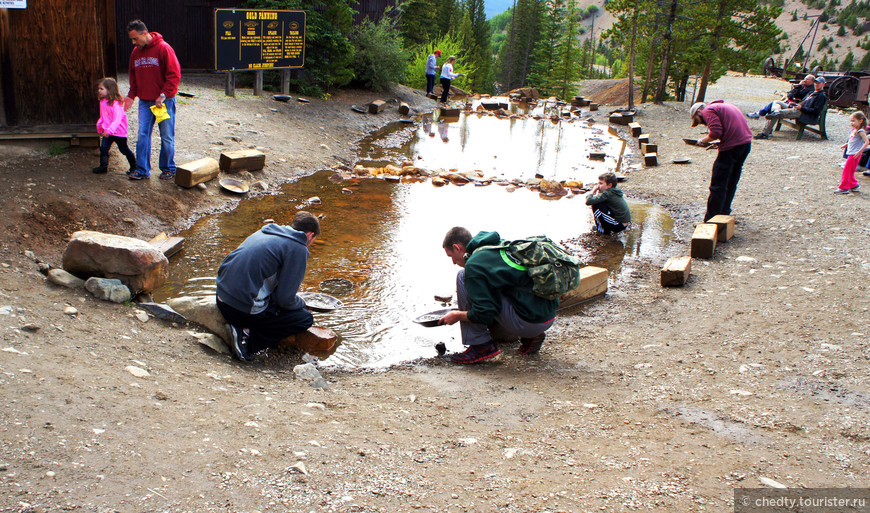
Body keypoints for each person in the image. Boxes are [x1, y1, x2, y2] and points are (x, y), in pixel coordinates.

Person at [439, 227, 557, 364]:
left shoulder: (474, 265)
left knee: (462, 276)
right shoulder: (498, 246)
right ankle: (530, 336)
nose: (453, 262)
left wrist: (458, 315)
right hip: (548, 316)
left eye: (451, 256)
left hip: (529, 322)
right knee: (495, 287)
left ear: (457, 248)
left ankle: (480, 346)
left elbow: (484, 314)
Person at [215, 212, 321, 362]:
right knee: (304, 318)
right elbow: (284, 300)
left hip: (221, 296)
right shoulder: (298, 248)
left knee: (276, 303)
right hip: (239, 310)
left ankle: (243, 328)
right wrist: (301, 303)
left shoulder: (267, 231)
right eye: (314, 240)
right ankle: (246, 337)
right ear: (310, 235)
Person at [124, 19, 181, 181]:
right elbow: (133, 77)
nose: (133, 43)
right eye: (132, 40)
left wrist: (163, 95)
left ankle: (169, 168)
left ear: (145, 33)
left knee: (167, 135)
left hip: (164, 102)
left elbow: (174, 75)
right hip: (145, 101)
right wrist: (130, 95)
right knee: (142, 134)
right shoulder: (135, 53)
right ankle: (142, 170)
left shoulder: (164, 48)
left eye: (135, 39)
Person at [689, 100, 752, 222]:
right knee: (731, 181)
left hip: (732, 148)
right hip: (744, 145)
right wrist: (721, 141)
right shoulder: (725, 106)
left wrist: (703, 140)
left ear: (699, 111)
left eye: (698, 120)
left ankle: (711, 219)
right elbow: (730, 128)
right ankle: (724, 213)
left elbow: (716, 132)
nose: (702, 123)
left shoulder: (708, 110)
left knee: (718, 184)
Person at [754, 76, 827, 140]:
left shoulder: (821, 96)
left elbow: (816, 111)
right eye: (816, 83)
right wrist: (796, 102)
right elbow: (796, 96)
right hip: (798, 108)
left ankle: (765, 133)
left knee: (776, 114)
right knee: (777, 103)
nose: (816, 84)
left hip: (804, 113)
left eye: (819, 83)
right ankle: (775, 112)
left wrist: (801, 108)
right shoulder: (813, 93)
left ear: (823, 84)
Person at [93, 77, 136, 175]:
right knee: (103, 148)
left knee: (124, 150)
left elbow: (117, 120)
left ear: (109, 89)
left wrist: (109, 130)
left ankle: (134, 166)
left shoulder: (116, 105)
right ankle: (103, 167)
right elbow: (103, 117)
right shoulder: (103, 102)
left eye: (101, 89)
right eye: (99, 89)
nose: (99, 91)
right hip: (108, 131)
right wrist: (100, 127)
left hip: (119, 132)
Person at [746, 75, 814, 119]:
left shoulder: (809, 90)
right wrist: (799, 86)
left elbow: (796, 96)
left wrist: (799, 86)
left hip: (795, 107)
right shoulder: (803, 87)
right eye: (805, 79)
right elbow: (790, 95)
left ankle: (759, 114)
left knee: (775, 102)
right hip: (791, 104)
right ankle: (769, 113)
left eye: (808, 79)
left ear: (812, 82)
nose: (805, 81)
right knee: (776, 105)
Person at [835, 111, 869, 194]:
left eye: (854, 120)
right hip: (852, 153)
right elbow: (853, 140)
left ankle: (844, 187)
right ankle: (853, 185)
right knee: (850, 171)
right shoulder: (854, 130)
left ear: (860, 121)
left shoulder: (861, 131)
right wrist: (847, 144)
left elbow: (867, 142)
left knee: (846, 171)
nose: (851, 123)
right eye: (851, 121)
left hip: (854, 155)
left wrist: (859, 151)